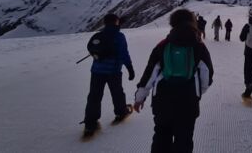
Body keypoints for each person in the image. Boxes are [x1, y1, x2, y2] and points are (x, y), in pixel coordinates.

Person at [133, 9, 214, 153]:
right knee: (184, 140)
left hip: (162, 100)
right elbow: (207, 75)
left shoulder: (163, 45)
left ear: (173, 23)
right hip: (188, 100)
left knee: (161, 136)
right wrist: (198, 92)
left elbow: (149, 74)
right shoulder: (198, 46)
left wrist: (140, 97)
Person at [83, 13, 135, 137]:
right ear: (116, 22)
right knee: (117, 93)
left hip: (96, 71)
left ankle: (90, 123)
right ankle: (121, 112)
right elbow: (124, 54)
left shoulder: (98, 35)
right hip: (113, 71)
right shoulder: (119, 36)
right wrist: (130, 68)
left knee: (94, 96)